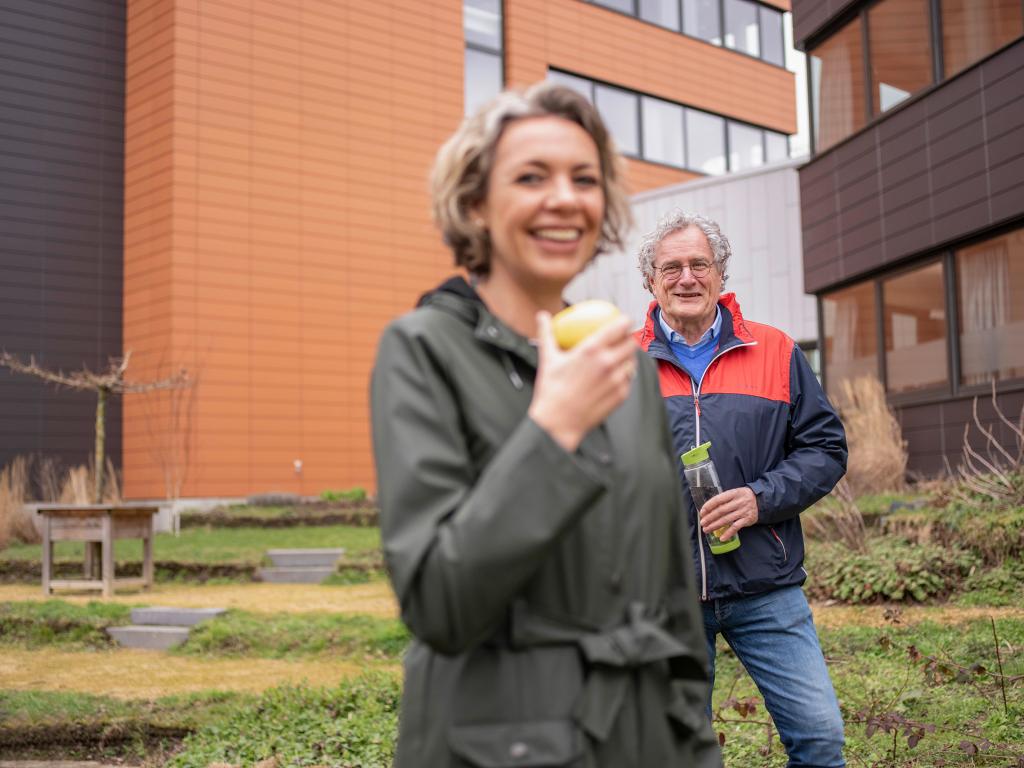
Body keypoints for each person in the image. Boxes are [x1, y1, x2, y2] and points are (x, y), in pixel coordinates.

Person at [370, 85, 722, 768]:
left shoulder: (630, 372)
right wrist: (552, 430)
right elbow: (439, 603)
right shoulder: (421, 351)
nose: (565, 198)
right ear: (476, 204)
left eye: (584, 179)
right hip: (498, 749)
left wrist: (695, 745)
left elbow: (672, 600)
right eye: (532, 177)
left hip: (645, 742)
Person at [635, 209, 849, 767]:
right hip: (666, 593)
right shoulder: (620, 366)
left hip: (765, 585)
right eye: (671, 266)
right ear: (651, 280)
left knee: (820, 738)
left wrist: (761, 498)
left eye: (699, 264)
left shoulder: (776, 351)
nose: (686, 278)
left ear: (721, 273)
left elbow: (825, 450)